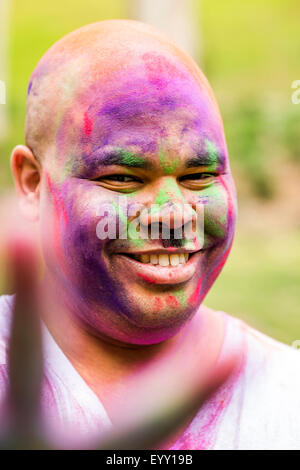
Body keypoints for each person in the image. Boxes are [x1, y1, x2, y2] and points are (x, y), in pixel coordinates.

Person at [0, 19, 299, 450]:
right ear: (32, 182)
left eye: (199, 175)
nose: (174, 217)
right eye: (123, 178)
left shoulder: (288, 397)